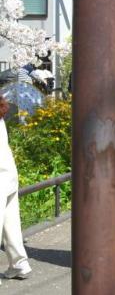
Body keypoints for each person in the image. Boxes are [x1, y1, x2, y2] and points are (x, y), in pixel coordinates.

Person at [0, 95, 32, 282]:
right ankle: (19, 264)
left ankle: (19, 264)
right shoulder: (1, 116)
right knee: (10, 223)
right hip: (8, 173)